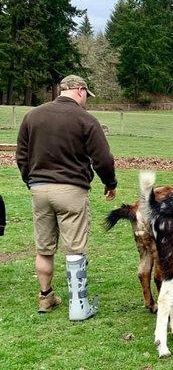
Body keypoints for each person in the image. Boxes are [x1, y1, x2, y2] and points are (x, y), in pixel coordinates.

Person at [16, 75, 117, 320]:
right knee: (75, 249)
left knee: (44, 248)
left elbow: (22, 155)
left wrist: (31, 180)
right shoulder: (85, 119)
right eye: (86, 96)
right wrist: (110, 183)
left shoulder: (32, 116)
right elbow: (103, 159)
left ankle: (45, 297)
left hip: (39, 189)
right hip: (71, 189)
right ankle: (78, 306)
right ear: (80, 91)